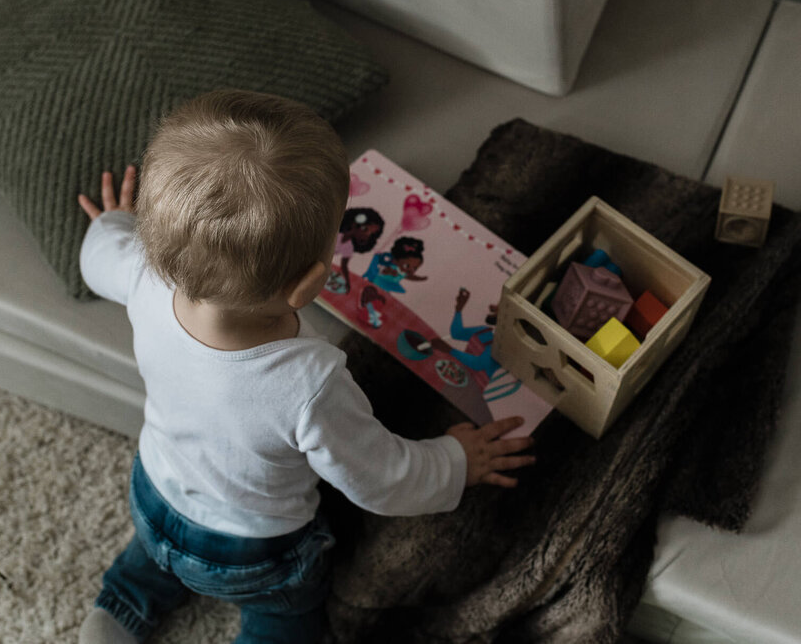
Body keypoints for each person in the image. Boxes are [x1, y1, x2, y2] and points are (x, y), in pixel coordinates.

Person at [74, 89, 535, 644]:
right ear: (309, 286)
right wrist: (459, 459)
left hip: (153, 495)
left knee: (150, 561)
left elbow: (99, 261)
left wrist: (111, 225)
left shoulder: (146, 277)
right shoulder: (309, 383)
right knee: (286, 618)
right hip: (254, 552)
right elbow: (381, 477)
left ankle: (119, 610)